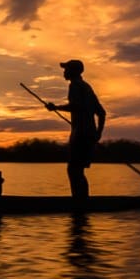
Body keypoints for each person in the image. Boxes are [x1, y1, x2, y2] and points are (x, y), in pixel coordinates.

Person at [46, 59, 106, 199]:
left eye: (66, 69)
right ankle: (82, 202)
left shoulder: (75, 86)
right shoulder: (86, 86)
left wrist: (56, 107)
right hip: (87, 134)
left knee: (74, 170)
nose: (64, 72)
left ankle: (80, 203)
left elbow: (76, 106)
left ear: (73, 71)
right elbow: (101, 113)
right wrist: (97, 133)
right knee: (77, 170)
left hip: (81, 134)